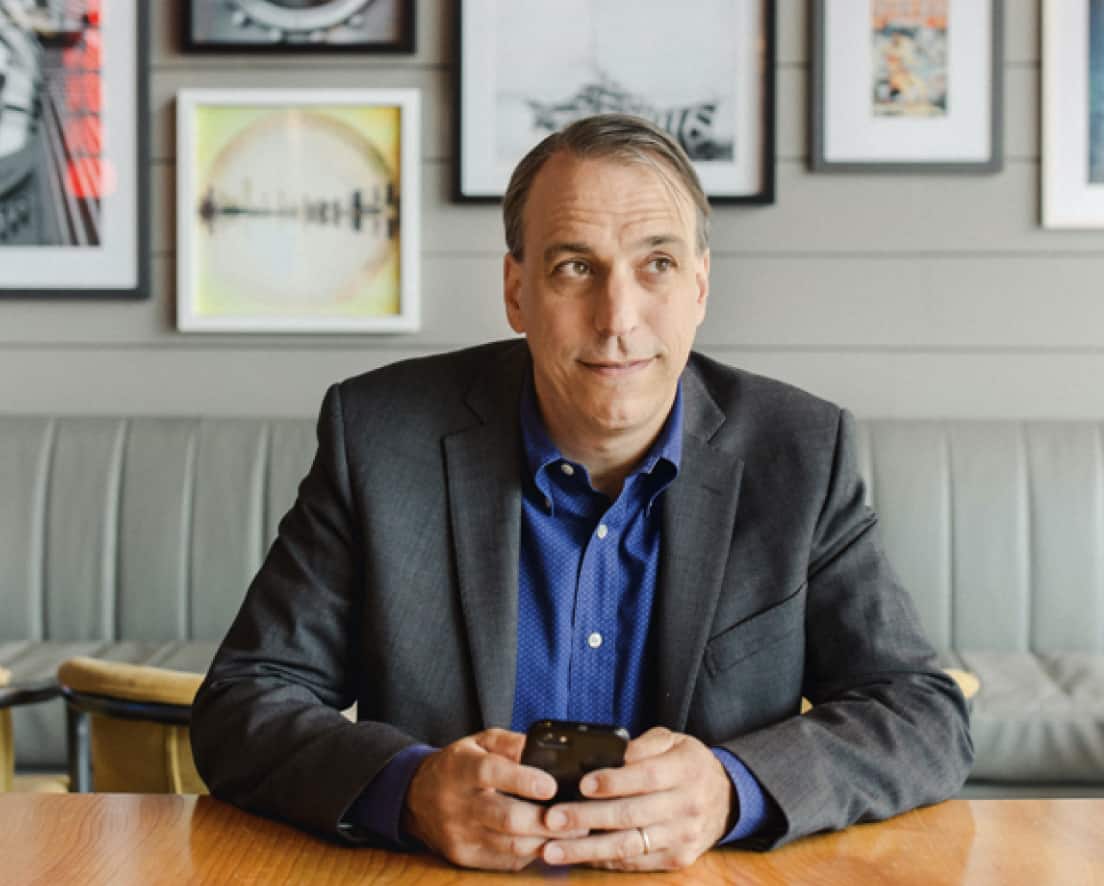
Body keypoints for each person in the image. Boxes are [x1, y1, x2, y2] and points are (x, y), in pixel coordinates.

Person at [191, 114, 973, 873]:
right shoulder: (380, 438)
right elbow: (242, 702)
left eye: (656, 265)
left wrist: (730, 792)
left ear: (700, 286)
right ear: (516, 289)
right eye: (574, 267)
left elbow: (921, 716)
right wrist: (412, 790)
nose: (617, 318)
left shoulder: (800, 452)